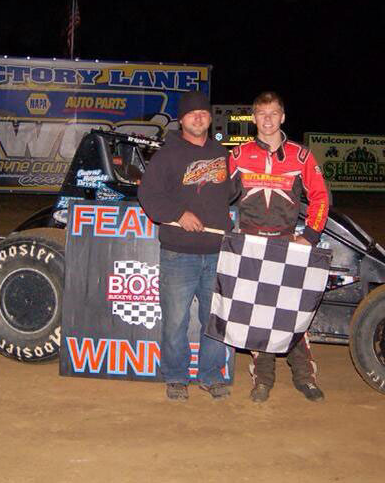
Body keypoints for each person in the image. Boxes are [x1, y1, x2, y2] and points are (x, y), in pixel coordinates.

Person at [229, 91, 330, 403]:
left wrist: (309, 235)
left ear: (283, 117)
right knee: (257, 314)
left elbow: (320, 196)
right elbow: (219, 196)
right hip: (250, 243)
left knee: (292, 312)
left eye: (274, 113)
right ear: (254, 118)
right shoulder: (238, 154)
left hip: (287, 243)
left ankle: (305, 377)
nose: (268, 120)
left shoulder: (301, 156)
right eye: (262, 114)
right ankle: (263, 379)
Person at [138, 91, 233, 401]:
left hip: (217, 253)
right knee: (176, 320)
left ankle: (211, 375)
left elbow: (236, 192)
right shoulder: (167, 155)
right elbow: (148, 195)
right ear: (182, 120)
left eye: (203, 113)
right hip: (178, 254)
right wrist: (179, 214)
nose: (198, 117)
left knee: (214, 320)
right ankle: (176, 376)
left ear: (210, 118)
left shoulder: (223, 154)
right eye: (192, 113)